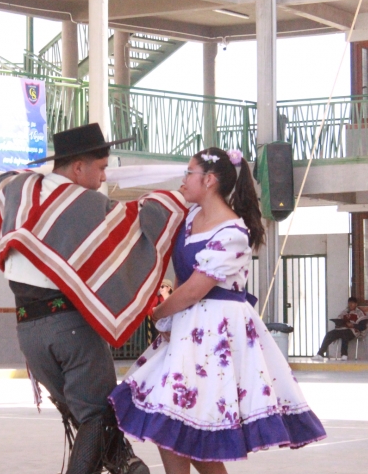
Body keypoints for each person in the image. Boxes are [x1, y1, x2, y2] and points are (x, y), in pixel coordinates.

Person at [0, 123, 188, 474]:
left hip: (28, 333)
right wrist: (174, 201)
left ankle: (126, 462)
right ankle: (125, 463)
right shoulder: (85, 205)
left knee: (81, 415)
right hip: (70, 328)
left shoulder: (19, 189)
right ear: (78, 167)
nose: (103, 178)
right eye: (101, 168)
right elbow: (134, 224)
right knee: (98, 415)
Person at [109, 148, 326, 472]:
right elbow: (183, 277)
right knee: (175, 428)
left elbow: (197, 288)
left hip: (215, 337)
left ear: (208, 180)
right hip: (186, 331)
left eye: (189, 173)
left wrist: (156, 313)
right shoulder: (190, 218)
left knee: (191, 431)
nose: (183, 180)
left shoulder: (233, 233)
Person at [311, 297, 368, 361]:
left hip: (353, 331)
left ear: (356, 304)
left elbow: (363, 326)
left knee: (345, 334)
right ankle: (320, 354)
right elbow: (339, 319)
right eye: (349, 303)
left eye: (352, 303)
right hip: (341, 329)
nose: (350, 305)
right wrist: (338, 323)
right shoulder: (344, 312)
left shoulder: (360, 313)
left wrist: (353, 325)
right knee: (329, 334)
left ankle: (344, 355)